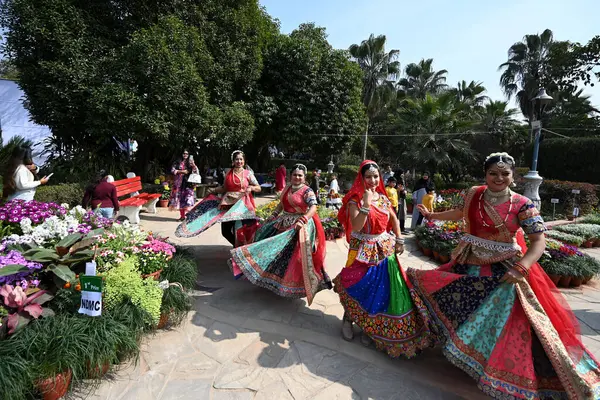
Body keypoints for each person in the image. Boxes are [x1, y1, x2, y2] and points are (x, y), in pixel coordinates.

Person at [408, 152, 600, 399]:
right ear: (485, 175)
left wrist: (522, 268)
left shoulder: (523, 204)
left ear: (513, 177)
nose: (499, 178)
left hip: (504, 270)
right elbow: (458, 212)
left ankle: (493, 368)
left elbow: (538, 241)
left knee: (506, 322)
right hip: (468, 262)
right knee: (451, 300)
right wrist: (433, 216)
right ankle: (461, 352)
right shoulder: (474, 194)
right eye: (493, 173)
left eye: (505, 174)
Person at [333, 160, 435, 356]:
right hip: (361, 249)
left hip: (383, 248)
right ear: (361, 179)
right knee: (357, 286)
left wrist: (399, 239)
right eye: (368, 177)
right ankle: (348, 319)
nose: (372, 180)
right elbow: (356, 226)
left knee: (378, 290)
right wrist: (365, 204)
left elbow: (394, 219)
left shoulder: (383, 198)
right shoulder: (354, 199)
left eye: (375, 176)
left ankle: (369, 327)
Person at [229, 164, 331, 304]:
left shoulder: (307, 191)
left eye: (300, 175)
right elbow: (281, 204)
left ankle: (295, 285)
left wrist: (303, 219)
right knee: (269, 245)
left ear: (304, 177)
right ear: (290, 176)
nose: (297, 177)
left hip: (300, 225)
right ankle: (271, 279)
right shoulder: (287, 188)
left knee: (295, 257)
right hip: (283, 222)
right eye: (294, 174)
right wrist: (274, 215)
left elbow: (313, 207)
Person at [176, 150, 261, 246]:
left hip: (242, 206)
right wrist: (213, 190)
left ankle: (238, 250)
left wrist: (251, 188)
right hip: (227, 205)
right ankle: (238, 247)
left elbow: (258, 187)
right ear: (233, 161)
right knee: (225, 231)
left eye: (241, 159)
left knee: (239, 229)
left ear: (244, 161)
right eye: (237, 159)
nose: (239, 161)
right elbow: (224, 188)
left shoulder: (248, 173)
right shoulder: (228, 173)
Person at [169, 150, 197, 221]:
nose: (185, 155)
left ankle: (189, 216)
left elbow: (195, 171)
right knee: (180, 200)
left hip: (187, 184)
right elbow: (172, 170)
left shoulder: (190, 162)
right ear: (181, 154)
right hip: (178, 184)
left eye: (187, 153)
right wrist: (181, 171)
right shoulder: (177, 162)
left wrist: (193, 164)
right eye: (184, 153)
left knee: (188, 200)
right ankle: (182, 216)